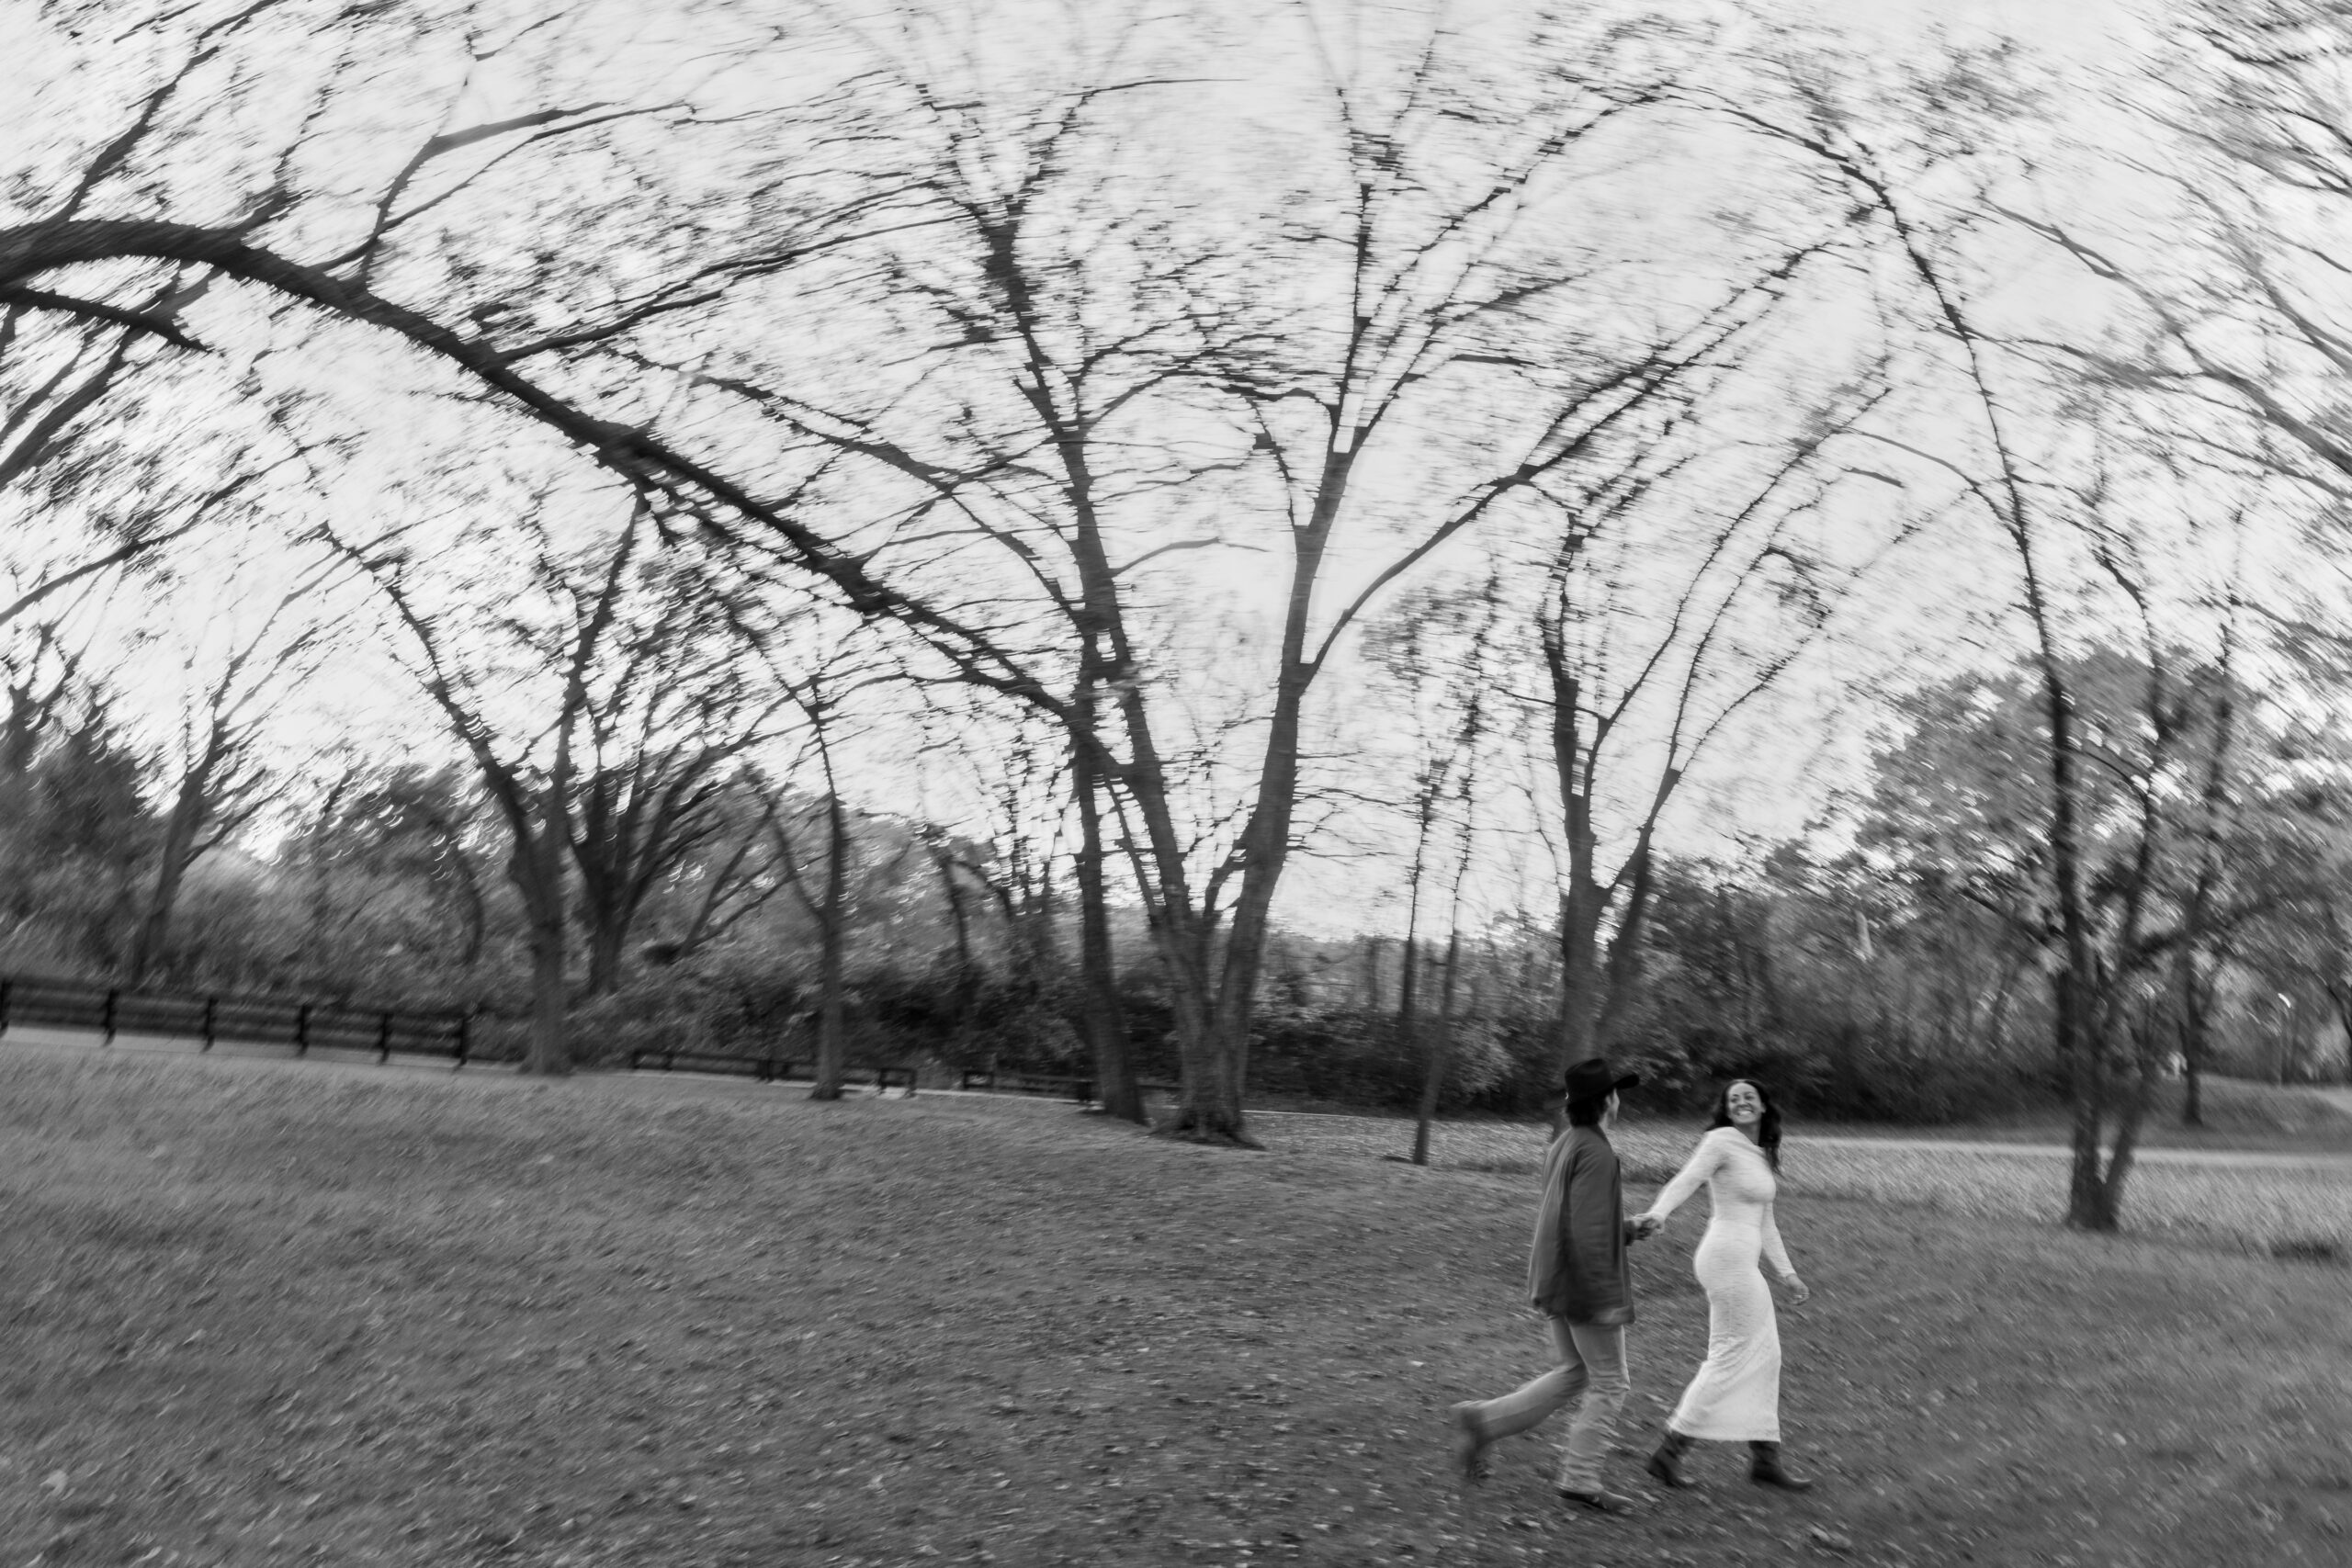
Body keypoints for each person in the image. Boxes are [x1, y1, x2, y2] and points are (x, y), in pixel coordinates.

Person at [1446, 1057, 1653, 1515]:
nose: (1620, 1100)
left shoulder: (1566, 1143)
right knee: (1611, 1381)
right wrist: (1601, 1299)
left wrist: (1626, 1228)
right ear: (1606, 1102)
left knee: (1574, 1373)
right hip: (1582, 1285)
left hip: (1556, 1276)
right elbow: (1583, 1229)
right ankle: (1580, 1480)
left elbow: (1574, 1216)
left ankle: (1481, 1421)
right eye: (1617, 1093)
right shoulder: (1597, 1152)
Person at [1632, 1078, 1815, 1493]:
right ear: (1727, 1110)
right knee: (1730, 1356)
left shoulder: (1760, 1152)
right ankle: (1668, 1453)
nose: (1742, 1102)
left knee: (1766, 1355)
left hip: (1742, 1259)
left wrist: (1788, 1273)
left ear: (1763, 1105)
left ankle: (1765, 1460)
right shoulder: (1720, 1140)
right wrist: (1658, 1213)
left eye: (1749, 1096)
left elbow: (1765, 1221)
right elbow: (1687, 1179)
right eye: (1734, 1099)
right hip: (1725, 1259)